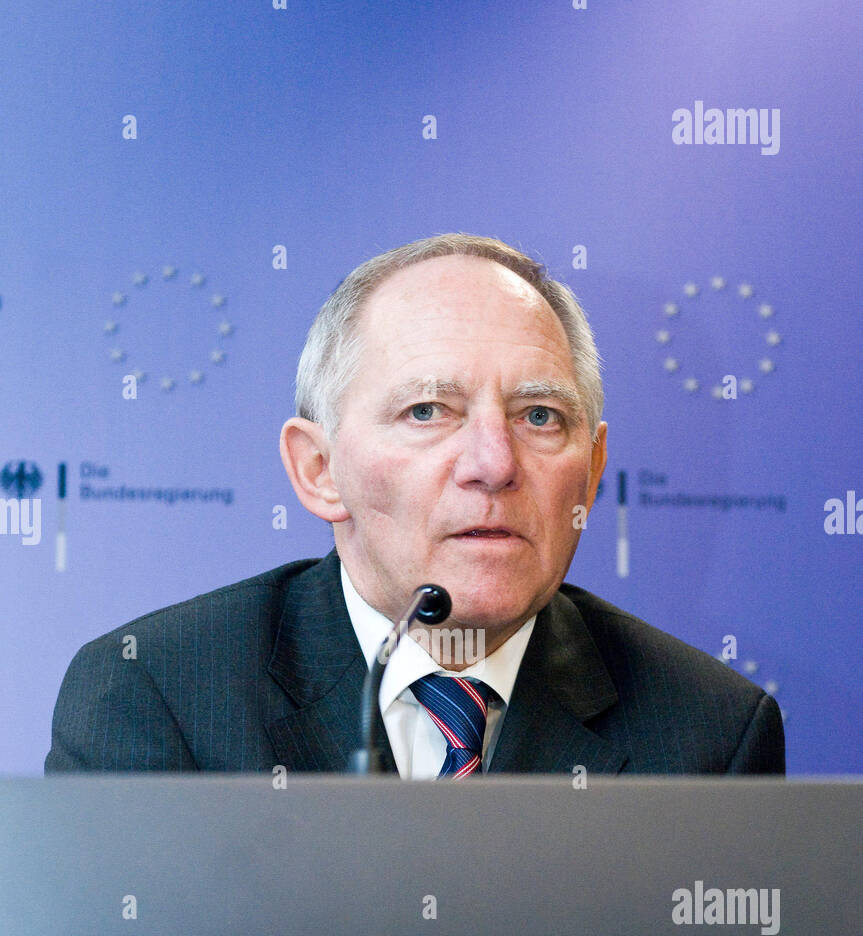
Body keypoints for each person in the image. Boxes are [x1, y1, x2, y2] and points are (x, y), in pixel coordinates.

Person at [45, 233, 784, 777]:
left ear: (590, 474)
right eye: (429, 411)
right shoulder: (155, 693)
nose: (493, 465)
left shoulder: (707, 731)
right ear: (318, 470)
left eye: (538, 417)